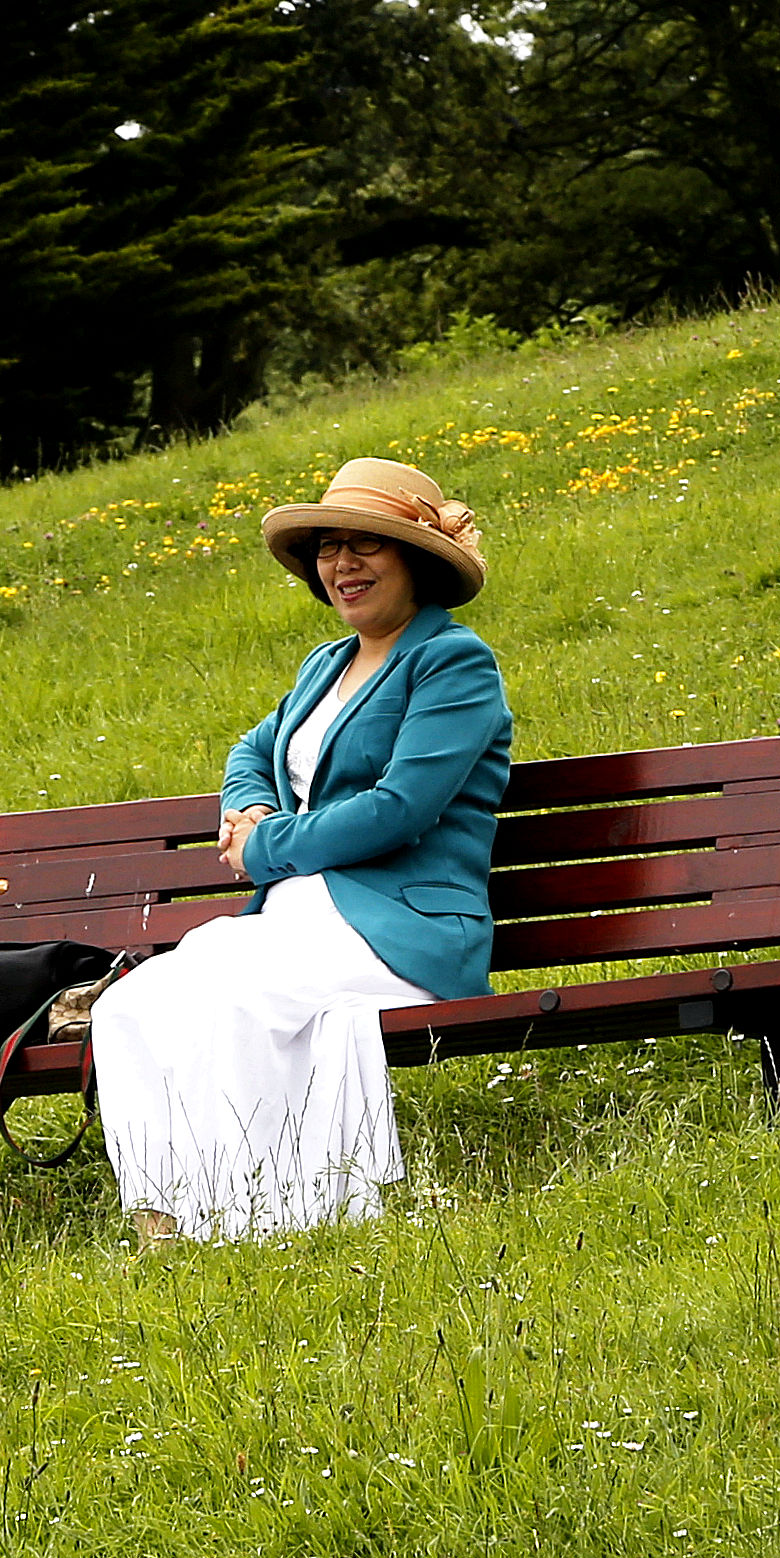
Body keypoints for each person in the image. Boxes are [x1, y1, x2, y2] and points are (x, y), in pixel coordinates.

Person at [91, 457, 512, 1241]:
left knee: (234, 997)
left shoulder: (454, 662)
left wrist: (265, 845)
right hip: (295, 923)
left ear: (414, 559)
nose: (342, 564)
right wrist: (247, 807)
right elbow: (252, 750)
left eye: (366, 545)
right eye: (328, 547)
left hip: (401, 931)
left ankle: (263, 1222)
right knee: (133, 1004)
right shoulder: (326, 667)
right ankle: (166, 1226)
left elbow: (400, 810)